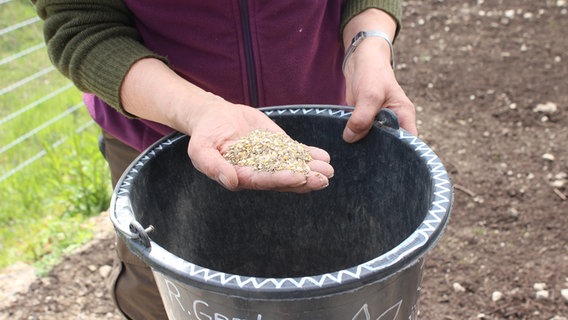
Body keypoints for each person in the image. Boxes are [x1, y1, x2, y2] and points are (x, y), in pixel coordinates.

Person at [33, 0, 417, 318]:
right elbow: (81, 25)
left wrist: (368, 43)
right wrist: (197, 111)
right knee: (168, 295)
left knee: (330, 283)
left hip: (321, 132)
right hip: (157, 136)